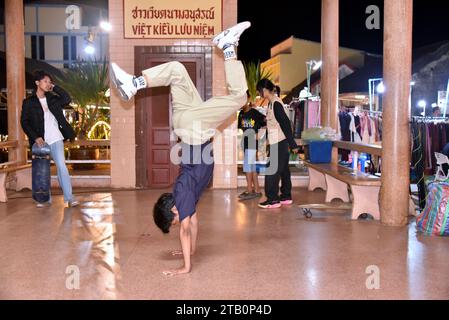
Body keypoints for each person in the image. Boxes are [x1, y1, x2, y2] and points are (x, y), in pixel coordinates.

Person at [110, 21, 251, 276]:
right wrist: (192, 252)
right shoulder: (187, 197)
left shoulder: (183, 194)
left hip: (194, 129)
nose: (180, 224)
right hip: (186, 124)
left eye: (174, 222)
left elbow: (186, 229)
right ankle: (134, 84)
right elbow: (193, 224)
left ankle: (228, 47)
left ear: (173, 211)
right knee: (176, 69)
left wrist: (185, 267)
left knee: (240, 97)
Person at [21, 70, 79, 208]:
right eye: (45, 81)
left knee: (61, 167)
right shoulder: (29, 102)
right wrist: (35, 137)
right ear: (37, 82)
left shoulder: (52, 99)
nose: (48, 84)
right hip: (41, 142)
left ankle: (69, 198)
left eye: (49, 81)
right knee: (42, 170)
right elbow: (25, 122)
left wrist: (54, 87)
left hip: (56, 138)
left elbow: (67, 98)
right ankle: (44, 199)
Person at [256, 79, 299, 209]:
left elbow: (285, 123)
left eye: (259, 91)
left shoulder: (275, 103)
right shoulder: (272, 103)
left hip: (280, 143)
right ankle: (286, 196)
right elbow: (274, 122)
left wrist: (293, 144)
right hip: (279, 142)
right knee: (284, 170)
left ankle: (273, 199)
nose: (259, 94)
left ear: (264, 90)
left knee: (271, 171)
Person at [238, 91, 266, 200]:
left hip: (252, 143)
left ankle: (250, 190)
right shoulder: (241, 114)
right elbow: (242, 129)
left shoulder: (254, 113)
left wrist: (259, 134)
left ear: (249, 99)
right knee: (252, 167)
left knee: (248, 167)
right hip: (245, 143)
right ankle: (257, 190)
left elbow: (266, 121)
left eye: (244, 99)